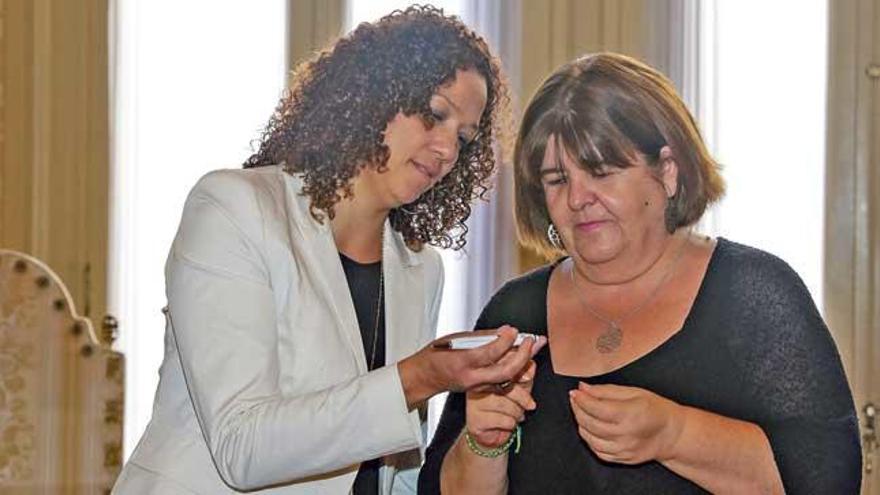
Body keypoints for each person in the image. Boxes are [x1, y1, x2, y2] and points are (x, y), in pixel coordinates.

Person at [112, 6, 544, 495]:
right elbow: (241, 446)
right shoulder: (234, 209)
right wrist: (417, 377)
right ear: (374, 94)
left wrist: (474, 432)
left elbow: (392, 476)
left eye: (463, 139)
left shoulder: (420, 268)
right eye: (436, 114)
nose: (446, 149)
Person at [419, 52, 862, 494]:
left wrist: (675, 434)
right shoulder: (515, 311)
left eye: (601, 172)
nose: (578, 199)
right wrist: (483, 444)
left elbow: (829, 481)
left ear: (667, 172)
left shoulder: (756, 295)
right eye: (557, 180)